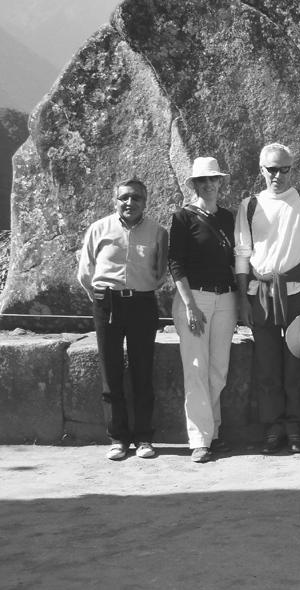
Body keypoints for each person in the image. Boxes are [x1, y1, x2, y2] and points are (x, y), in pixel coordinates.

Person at [233, 142, 300, 454]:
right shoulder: (249, 205)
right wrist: (242, 299)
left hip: (299, 293)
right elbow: (242, 253)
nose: (278, 175)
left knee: (296, 362)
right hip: (260, 294)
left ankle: (296, 426)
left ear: (291, 169)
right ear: (262, 170)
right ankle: (273, 426)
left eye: (284, 169)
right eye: (272, 169)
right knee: (267, 364)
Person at [76, 178, 168, 460]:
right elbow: (85, 272)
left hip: (142, 304)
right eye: (124, 197)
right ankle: (118, 438)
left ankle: (144, 438)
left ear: (145, 201)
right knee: (111, 371)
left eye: (136, 197)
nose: (130, 202)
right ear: (115, 200)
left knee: (143, 371)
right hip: (107, 304)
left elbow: (161, 274)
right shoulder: (99, 229)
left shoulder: (158, 232)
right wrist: (102, 299)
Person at [169, 157, 237, 463]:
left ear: (220, 182)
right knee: (196, 368)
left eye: (213, 179)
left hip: (226, 299)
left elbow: (236, 259)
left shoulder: (228, 218)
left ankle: (213, 432)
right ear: (194, 185)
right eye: (202, 180)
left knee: (218, 369)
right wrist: (189, 305)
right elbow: (175, 263)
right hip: (195, 298)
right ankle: (199, 439)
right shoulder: (183, 218)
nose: (208, 184)